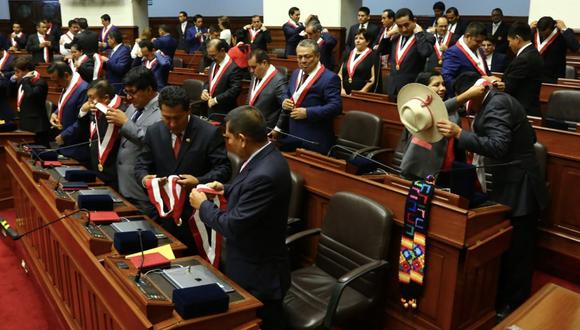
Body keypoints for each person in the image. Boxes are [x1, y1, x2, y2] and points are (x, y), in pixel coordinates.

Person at [437, 71, 548, 321]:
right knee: (508, 250)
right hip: (506, 183)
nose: (468, 110)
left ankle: (515, 305)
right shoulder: (491, 101)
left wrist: (459, 134)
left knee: (518, 252)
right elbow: (529, 136)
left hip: (520, 188)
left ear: (479, 94)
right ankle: (504, 297)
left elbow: (498, 146)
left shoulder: (496, 103)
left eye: (469, 103)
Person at [189, 105, 291, 330]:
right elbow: (248, 188)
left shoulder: (265, 173)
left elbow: (232, 226)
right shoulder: (263, 155)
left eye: (227, 137)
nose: (226, 142)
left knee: (263, 323)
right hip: (249, 261)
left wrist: (203, 205)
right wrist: (225, 188)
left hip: (259, 274)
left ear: (242, 139)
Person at [136, 86, 231, 254]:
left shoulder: (209, 133)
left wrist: (199, 181)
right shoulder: (154, 131)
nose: (171, 124)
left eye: (177, 118)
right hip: (162, 214)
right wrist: (145, 180)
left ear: (189, 111)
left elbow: (224, 169)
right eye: (166, 118)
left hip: (195, 217)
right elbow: (142, 166)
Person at [398, 72, 484, 180]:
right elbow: (435, 111)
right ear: (424, 89)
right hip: (418, 171)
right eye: (436, 85)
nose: (442, 88)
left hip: (445, 169)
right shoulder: (417, 109)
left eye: (443, 84)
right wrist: (467, 95)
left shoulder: (450, 109)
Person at [272, 39, 342, 154]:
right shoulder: (295, 73)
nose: (303, 61)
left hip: (314, 138)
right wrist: (285, 100)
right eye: (299, 57)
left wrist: (308, 112)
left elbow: (336, 107)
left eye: (307, 56)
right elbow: (288, 94)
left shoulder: (330, 78)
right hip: (293, 135)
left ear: (317, 56)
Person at [107, 66, 161, 212]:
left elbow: (153, 140)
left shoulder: (163, 110)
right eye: (126, 92)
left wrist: (124, 123)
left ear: (149, 90)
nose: (129, 97)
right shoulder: (134, 106)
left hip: (142, 189)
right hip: (123, 182)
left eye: (132, 92)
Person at [75, 79, 125, 187]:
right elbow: (82, 130)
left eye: (91, 97)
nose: (88, 101)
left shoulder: (120, 112)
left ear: (106, 98)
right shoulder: (95, 107)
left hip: (112, 172)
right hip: (95, 166)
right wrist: (83, 111)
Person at [383, 8, 435, 99]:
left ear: (414, 21)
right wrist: (388, 34)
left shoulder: (426, 37)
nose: (403, 29)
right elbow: (381, 51)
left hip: (412, 89)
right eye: (400, 26)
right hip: (393, 88)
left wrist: (419, 34)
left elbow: (425, 52)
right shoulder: (396, 37)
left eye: (406, 25)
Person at [498, 22, 543, 116]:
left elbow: (508, 88)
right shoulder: (532, 52)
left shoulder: (523, 59)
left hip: (521, 112)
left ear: (517, 39)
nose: (509, 45)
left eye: (509, 41)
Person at [49, 61, 90, 162]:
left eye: (57, 81)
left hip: (76, 145)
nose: (56, 85)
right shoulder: (68, 84)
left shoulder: (83, 89)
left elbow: (83, 120)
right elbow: (65, 103)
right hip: (65, 142)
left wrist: (65, 135)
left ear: (66, 75)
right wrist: (55, 113)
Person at [442, 22, 490, 97]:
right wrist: (463, 95)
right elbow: (447, 78)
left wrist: (492, 80)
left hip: (483, 94)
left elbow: (485, 72)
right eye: (478, 41)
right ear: (468, 36)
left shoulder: (479, 50)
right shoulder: (453, 52)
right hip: (465, 98)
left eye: (482, 42)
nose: (480, 45)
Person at [11, 56, 50, 146]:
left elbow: (31, 95)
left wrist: (25, 80)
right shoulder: (23, 81)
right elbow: (11, 94)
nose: (16, 74)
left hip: (37, 127)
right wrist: (13, 81)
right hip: (25, 123)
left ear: (27, 71)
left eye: (18, 72)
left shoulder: (40, 82)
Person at [201, 39, 242, 118]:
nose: (212, 58)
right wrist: (205, 90)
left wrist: (216, 100)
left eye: (213, 55)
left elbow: (235, 89)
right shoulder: (213, 64)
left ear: (222, 51)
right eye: (210, 55)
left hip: (224, 112)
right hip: (210, 110)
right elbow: (209, 81)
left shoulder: (234, 68)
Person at [531, 17, 579, 83]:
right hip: (534, 77)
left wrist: (564, 29)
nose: (543, 36)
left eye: (546, 34)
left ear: (553, 28)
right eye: (541, 34)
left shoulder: (562, 34)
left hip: (554, 78)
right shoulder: (534, 33)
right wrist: (528, 29)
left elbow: (575, 48)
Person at [246, 49, 287, 128]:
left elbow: (285, 107)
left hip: (267, 127)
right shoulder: (256, 75)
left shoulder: (279, 80)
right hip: (252, 124)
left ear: (264, 63)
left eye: (253, 67)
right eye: (249, 67)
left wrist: (278, 128)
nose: (251, 70)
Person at [338, 29, 376, 95]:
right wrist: (341, 89)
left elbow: (373, 78)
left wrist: (362, 92)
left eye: (361, 38)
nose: (357, 41)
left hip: (361, 95)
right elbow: (340, 74)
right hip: (343, 93)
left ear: (367, 42)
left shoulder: (372, 56)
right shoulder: (348, 54)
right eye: (356, 38)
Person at [103, 29, 132, 94]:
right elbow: (110, 66)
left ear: (113, 40)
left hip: (118, 85)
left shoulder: (124, 51)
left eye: (108, 39)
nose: (107, 41)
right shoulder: (112, 50)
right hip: (111, 83)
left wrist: (107, 61)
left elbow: (120, 69)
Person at [0, 48, 15, 121]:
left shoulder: (12, 58)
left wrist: (3, 75)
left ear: (2, 51)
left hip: (6, 89)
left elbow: (16, 72)